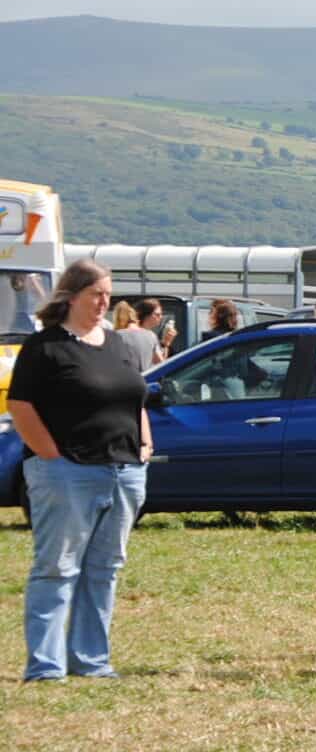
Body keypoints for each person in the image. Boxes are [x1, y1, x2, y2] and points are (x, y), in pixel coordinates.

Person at [9, 260, 151, 682]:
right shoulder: (46, 347)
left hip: (123, 471)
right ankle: (46, 666)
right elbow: (20, 406)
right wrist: (51, 455)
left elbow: (136, 398)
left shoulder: (117, 343)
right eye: (96, 294)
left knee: (104, 569)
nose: (104, 302)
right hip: (67, 473)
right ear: (71, 296)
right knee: (57, 567)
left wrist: (144, 443)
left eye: (108, 295)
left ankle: (91, 661)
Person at [114, 298, 171, 371]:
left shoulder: (116, 335)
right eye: (157, 314)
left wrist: (166, 344)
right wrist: (166, 344)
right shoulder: (151, 336)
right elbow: (161, 364)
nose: (161, 317)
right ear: (145, 315)